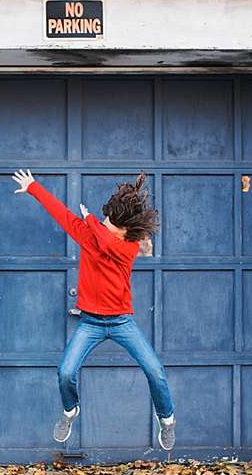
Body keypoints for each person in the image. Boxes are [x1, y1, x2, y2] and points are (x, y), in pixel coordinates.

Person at [12, 169, 176, 451]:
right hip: (91, 323)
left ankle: (167, 419)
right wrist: (34, 188)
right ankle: (70, 410)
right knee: (65, 372)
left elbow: (107, 241)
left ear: (124, 229)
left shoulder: (128, 247)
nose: (103, 222)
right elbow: (62, 215)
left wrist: (89, 218)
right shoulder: (91, 237)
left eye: (109, 221)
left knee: (155, 371)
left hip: (122, 322)